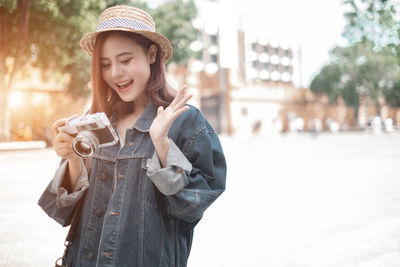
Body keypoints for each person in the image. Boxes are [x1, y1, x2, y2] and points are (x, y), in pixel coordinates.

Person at [38, 5, 226, 267]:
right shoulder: (96, 122)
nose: (115, 73)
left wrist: (162, 144)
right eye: (105, 64)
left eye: (125, 60)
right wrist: (74, 159)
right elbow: (62, 211)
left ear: (151, 54)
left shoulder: (186, 122)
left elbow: (192, 207)